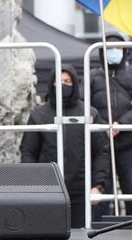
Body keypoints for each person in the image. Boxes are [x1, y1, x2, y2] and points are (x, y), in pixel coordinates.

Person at [20, 64, 109, 229]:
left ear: (75, 83)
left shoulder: (90, 114)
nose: (63, 85)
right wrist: (32, 186)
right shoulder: (39, 116)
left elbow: (101, 152)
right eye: (58, 81)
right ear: (51, 84)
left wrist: (97, 186)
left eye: (67, 81)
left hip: (81, 192)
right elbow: (28, 152)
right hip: (47, 192)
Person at [90, 32, 132, 219]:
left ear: (125, 51)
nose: (113, 52)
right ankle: (102, 230)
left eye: (117, 48)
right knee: (103, 194)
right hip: (102, 146)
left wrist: (121, 123)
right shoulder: (93, 76)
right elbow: (84, 105)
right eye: (109, 49)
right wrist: (103, 126)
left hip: (130, 144)